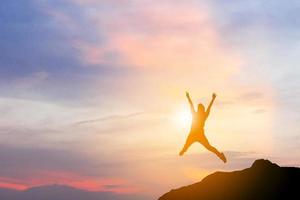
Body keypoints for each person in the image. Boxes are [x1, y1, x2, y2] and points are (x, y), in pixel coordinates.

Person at [179, 92, 227, 163]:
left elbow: (207, 107)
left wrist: (213, 99)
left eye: (199, 109)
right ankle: (183, 151)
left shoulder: (202, 115)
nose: (199, 110)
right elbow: (191, 105)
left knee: (209, 147)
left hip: (198, 135)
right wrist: (188, 97)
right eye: (199, 108)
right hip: (193, 134)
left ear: (201, 110)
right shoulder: (199, 115)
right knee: (185, 148)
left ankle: (221, 155)